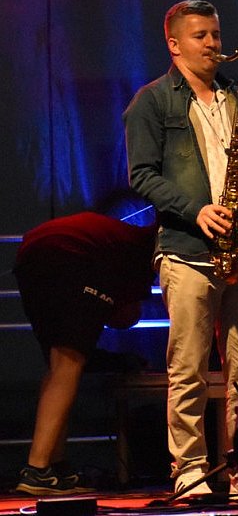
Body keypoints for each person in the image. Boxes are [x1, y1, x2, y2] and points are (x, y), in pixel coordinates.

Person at [123, 0, 238, 498]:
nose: (212, 44)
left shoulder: (235, 96)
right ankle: (189, 470)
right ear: (174, 44)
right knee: (188, 368)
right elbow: (141, 175)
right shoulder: (152, 101)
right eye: (200, 36)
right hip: (187, 249)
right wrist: (197, 210)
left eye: (215, 34)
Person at [12, 212, 156, 495]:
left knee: (58, 366)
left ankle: (55, 465)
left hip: (31, 254)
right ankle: (37, 469)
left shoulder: (120, 239)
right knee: (69, 362)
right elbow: (128, 317)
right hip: (67, 256)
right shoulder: (141, 254)